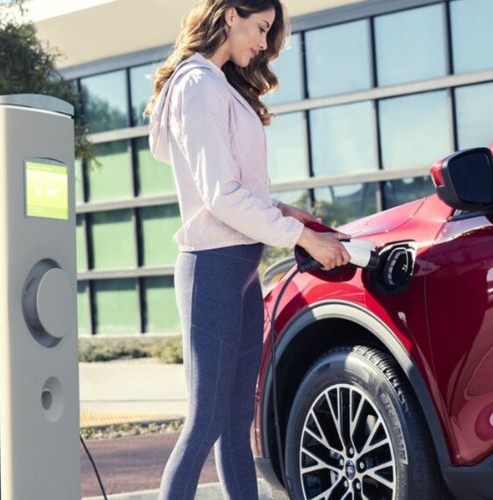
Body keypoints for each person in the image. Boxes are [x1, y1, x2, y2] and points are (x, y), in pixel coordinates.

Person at [145, 1, 350, 498]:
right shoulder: (196, 84)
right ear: (231, 13)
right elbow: (219, 194)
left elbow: (237, 189)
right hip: (211, 268)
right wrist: (301, 238)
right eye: (261, 29)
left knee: (237, 425)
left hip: (240, 269)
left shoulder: (218, 85)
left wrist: (291, 214)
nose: (263, 44)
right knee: (205, 422)